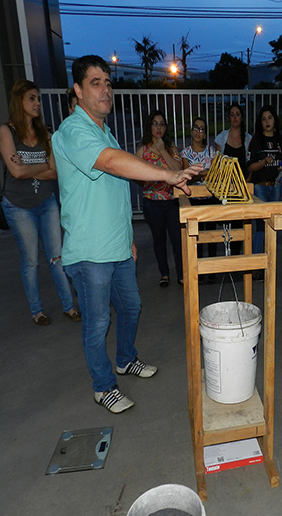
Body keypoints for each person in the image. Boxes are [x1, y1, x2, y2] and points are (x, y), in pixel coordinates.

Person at [52, 55, 200, 414]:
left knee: (131, 307)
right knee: (98, 321)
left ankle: (125, 359)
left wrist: (127, 238)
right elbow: (110, 162)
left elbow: (114, 188)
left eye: (108, 81)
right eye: (96, 82)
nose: (105, 88)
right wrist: (166, 175)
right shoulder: (74, 131)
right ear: (78, 90)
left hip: (116, 246)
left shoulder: (104, 130)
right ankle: (103, 387)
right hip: (89, 252)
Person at [0, 79, 80, 326]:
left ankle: (69, 307)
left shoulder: (46, 133)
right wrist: (42, 167)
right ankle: (37, 310)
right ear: (19, 101)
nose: (37, 103)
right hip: (18, 205)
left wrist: (30, 168)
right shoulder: (6, 131)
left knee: (57, 256)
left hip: (46, 201)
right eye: (31, 98)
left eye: (38, 98)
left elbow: (56, 172)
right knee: (31, 259)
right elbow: (16, 173)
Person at [136, 110, 183, 287]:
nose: (158, 127)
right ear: (150, 126)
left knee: (177, 240)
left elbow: (177, 169)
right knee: (159, 240)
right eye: (155, 123)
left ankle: (181, 274)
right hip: (152, 203)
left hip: (171, 202)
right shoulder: (143, 150)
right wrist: (147, 185)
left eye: (162, 124)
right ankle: (164, 274)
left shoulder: (170, 148)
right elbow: (135, 172)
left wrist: (163, 150)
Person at [247, 105, 282, 258]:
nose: (267, 121)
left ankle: (269, 264)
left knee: (273, 227)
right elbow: (250, 166)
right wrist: (264, 161)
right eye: (264, 119)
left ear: (275, 120)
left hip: (275, 187)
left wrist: (281, 169)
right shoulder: (256, 140)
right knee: (260, 228)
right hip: (260, 188)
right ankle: (256, 264)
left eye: (270, 118)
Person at [181, 117, 218, 281]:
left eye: (202, 129)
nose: (198, 131)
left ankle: (211, 271)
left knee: (210, 235)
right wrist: (204, 172)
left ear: (205, 134)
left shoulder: (212, 151)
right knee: (195, 236)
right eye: (196, 128)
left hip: (210, 198)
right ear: (191, 131)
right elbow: (187, 176)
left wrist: (196, 172)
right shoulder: (185, 153)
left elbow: (215, 173)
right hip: (193, 199)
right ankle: (198, 271)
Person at [214, 102, 251, 256]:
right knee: (225, 224)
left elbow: (250, 163)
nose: (235, 117)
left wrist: (247, 182)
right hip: (225, 189)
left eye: (237, 114)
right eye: (232, 114)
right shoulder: (222, 137)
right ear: (229, 118)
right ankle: (226, 258)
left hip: (241, 190)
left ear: (241, 117)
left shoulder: (248, 139)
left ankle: (236, 257)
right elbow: (216, 164)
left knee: (239, 225)